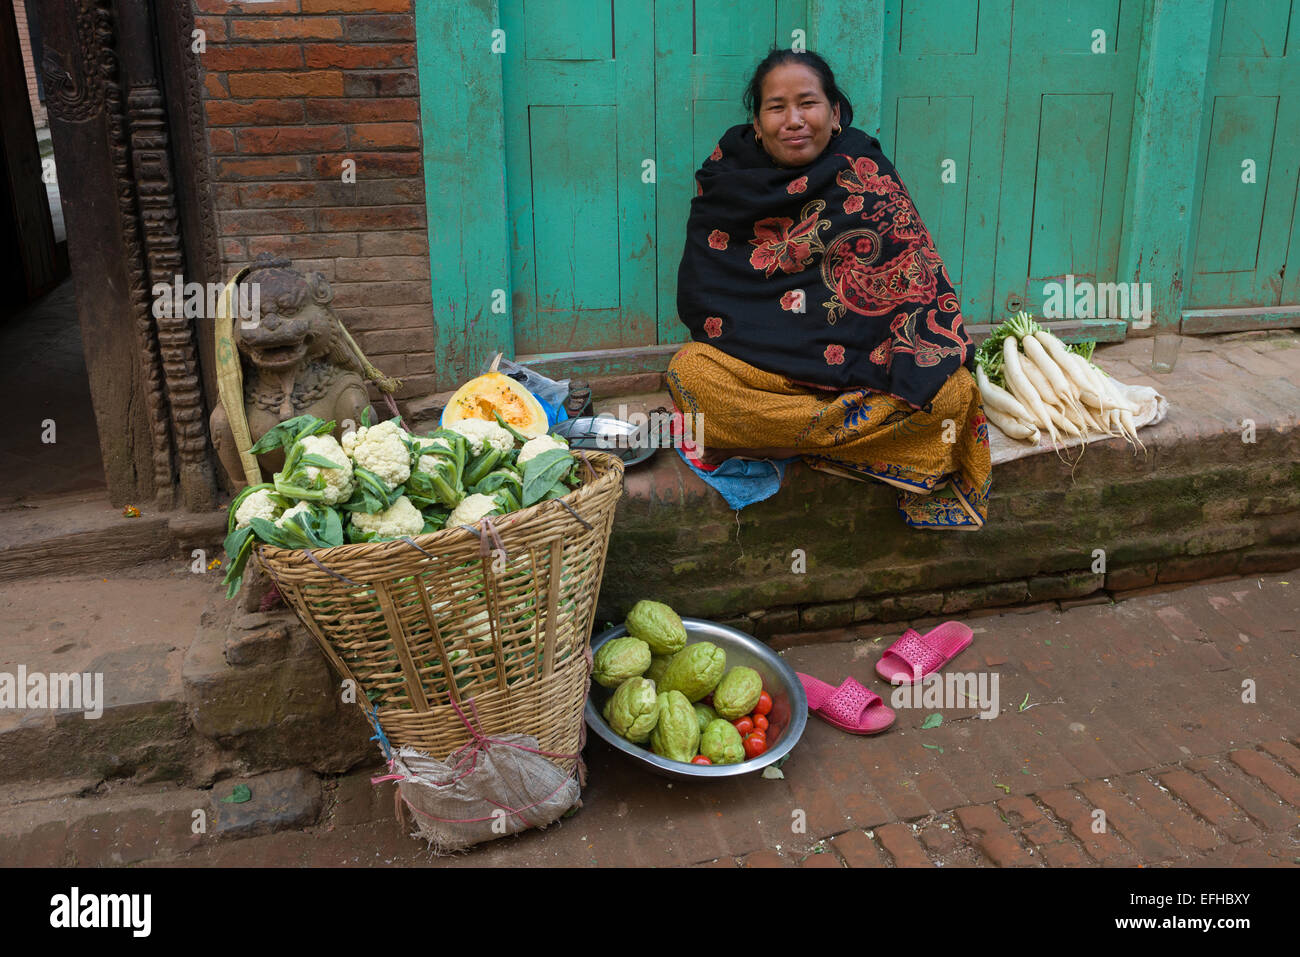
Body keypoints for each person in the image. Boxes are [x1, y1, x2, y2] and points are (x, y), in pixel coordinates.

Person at [668, 48, 991, 529]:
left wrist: (893, 363)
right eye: (776, 107)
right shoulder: (727, 178)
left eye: (808, 103)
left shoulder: (865, 171)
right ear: (756, 122)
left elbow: (917, 288)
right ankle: (852, 444)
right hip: (768, 375)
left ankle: (779, 441)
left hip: (863, 372)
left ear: (834, 112)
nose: (793, 120)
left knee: (953, 393)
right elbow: (706, 292)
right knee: (691, 373)